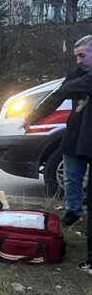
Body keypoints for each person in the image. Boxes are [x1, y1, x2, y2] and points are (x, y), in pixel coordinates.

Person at [22, 35, 92, 228]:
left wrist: (71, 89)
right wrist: (33, 117)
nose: (78, 61)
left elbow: (68, 89)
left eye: (82, 55)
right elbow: (57, 96)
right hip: (74, 135)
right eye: (76, 56)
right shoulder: (76, 75)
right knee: (71, 178)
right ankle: (73, 210)